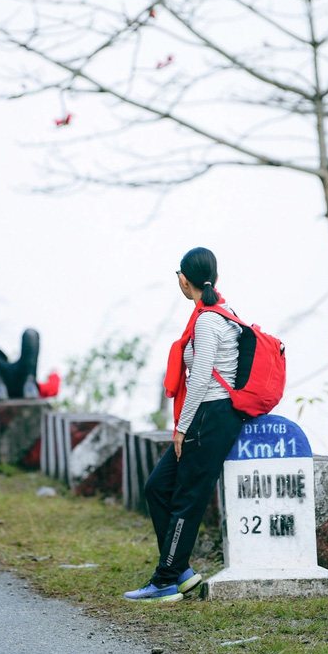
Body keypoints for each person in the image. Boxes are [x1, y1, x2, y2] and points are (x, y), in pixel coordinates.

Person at [125, 247, 244, 602]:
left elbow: (202, 377)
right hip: (207, 415)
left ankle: (165, 581)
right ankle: (182, 570)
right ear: (215, 278)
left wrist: (181, 428)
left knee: (187, 500)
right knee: (157, 487)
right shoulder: (216, 313)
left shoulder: (209, 320)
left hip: (212, 417)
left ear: (183, 280)